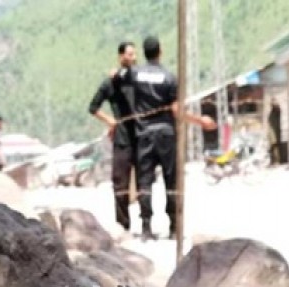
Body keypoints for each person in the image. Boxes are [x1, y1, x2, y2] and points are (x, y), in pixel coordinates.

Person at [117, 36, 216, 240]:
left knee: (145, 181)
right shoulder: (169, 77)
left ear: (143, 53)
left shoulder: (135, 74)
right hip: (166, 133)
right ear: (160, 51)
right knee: (171, 180)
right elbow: (176, 110)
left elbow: (120, 75)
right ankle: (173, 227)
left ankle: (146, 228)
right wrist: (200, 121)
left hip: (143, 134)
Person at [88, 41, 138, 232]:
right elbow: (93, 107)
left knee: (143, 183)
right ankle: (123, 225)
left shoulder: (139, 80)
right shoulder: (111, 83)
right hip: (122, 138)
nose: (133, 58)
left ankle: (146, 223)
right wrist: (110, 121)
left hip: (141, 137)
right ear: (121, 57)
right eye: (129, 55)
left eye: (134, 55)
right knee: (120, 183)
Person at [268, 97, 282, 165]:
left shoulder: (277, 111)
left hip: (275, 130)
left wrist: (275, 103)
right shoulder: (272, 112)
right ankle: (273, 160)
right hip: (272, 131)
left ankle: (277, 160)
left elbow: (278, 110)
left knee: (275, 146)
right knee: (272, 146)